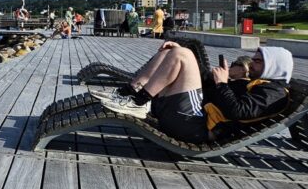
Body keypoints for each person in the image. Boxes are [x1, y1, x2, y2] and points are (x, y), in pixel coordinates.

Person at [96, 44, 294, 143]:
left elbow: (239, 112)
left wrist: (222, 84)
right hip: (189, 117)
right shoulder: (256, 83)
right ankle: (129, 94)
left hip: (196, 125)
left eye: (258, 61)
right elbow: (205, 84)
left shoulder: (275, 93)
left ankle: (138, 102)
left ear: (274, 66)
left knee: (183, 55)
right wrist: (224, 79)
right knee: (171, 51)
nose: (251, 62)